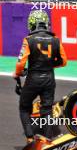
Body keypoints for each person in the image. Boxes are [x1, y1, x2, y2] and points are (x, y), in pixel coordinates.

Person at [13, 10, 67, 143]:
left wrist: (18, 73)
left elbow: (21, 63)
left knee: (24, 107)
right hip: (49, 79)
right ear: (46, 24)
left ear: (32, 24)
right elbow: (63, 61)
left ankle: (30, 138)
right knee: (47, 109)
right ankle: (48, 139)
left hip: (33, 79)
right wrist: (47, 65)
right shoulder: (55, 40)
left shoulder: (28, 40)